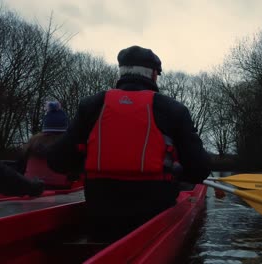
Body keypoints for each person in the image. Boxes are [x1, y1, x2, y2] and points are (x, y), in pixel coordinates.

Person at [47, 45, 211, 241]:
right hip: (152, 213)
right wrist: (176, 171)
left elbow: (57, 161)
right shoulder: (173, 109)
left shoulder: (90, 106)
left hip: (101, 214)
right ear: (153, 75)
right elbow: (199, 170)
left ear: (121, 72)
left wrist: (84, 164)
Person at [19, 101, 79, 189]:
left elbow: (20, 171)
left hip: (30, 190)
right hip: (61, 192)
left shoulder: (30, 147)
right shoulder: (70, 148)